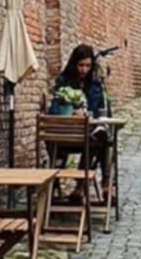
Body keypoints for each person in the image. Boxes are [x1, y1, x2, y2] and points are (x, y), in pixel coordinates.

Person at [48, 45, 109, 202]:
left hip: (87, 137)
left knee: (100, 140)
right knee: (98, 143)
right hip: (66, 137)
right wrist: (71, 112)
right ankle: (102, 184)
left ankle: (83, 186)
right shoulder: (63, 82)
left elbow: (102, 110)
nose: (84, 70)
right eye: (81, 65)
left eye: (88, 66)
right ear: (74, 64)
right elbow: (54, 110)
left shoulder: (96, 85)